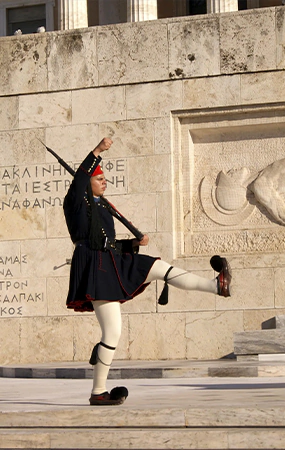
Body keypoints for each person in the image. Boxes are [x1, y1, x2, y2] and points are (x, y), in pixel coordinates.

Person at [63, 138, 232, 406]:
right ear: (88, 184)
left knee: (159, 267)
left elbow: (110, 243)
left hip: (113, 261)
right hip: (96, 270)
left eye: (104, 179)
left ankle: (216, 285)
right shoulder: (76, 203)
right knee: (112, 333)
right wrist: (95, 152)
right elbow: (80, 181)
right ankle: (98, 392)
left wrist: (132, 244)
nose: (104, 182)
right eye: (99, 179)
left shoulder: (104, 208)